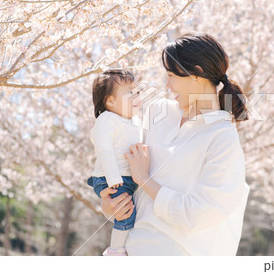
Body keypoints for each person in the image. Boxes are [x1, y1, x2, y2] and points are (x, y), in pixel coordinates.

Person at [100, 33, 251, 255]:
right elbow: (127, 173)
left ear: (196, 74)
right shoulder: (158, 112)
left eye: (171, 75)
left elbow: (198, 214)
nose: (168, 85)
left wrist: (144, 180)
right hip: (131, 250)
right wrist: (111, 206)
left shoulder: (222, 137)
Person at [86, 69, 143, 256]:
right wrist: (113, 177)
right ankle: (116, 251)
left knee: (130, 211)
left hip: (126, 178)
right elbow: (104, 149)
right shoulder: (107, 119)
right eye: (129, 93)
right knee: (126, 214)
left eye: (138, 92)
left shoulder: (135, 121)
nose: (136, 96)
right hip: (111, 178)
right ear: (110, 101)